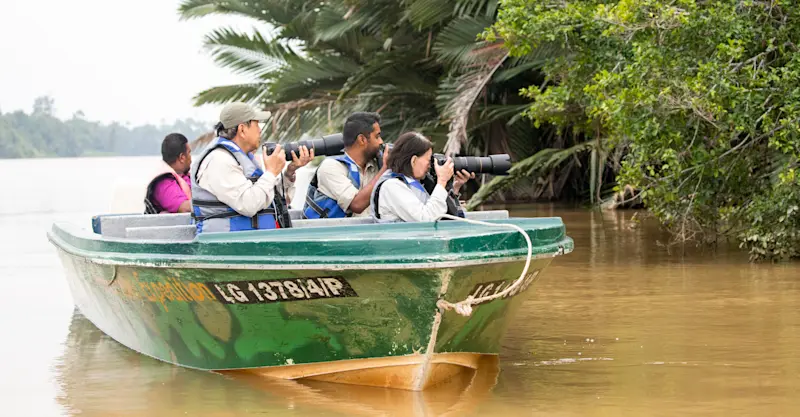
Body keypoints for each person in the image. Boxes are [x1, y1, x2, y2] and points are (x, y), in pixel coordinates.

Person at [191, 102, 314, 233]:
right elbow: (249, 204)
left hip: (248, 244)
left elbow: (271, 200)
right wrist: (271, 172)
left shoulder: (245, 159)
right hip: (228, 247)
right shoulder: (219, 161)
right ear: (242, 129)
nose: (260, 130)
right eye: (256, 124)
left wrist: (290, 172)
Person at [370, 132, 473, 223]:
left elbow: (440, 212)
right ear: (413, 160)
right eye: (428, 160)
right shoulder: (392, 186)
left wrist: (454, 188)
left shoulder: (413, 183)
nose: (430, 165)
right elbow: (426, 219)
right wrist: (442, 181)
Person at [302, 112, 389, 219]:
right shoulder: (331, 167)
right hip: (333, 233)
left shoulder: (376, 165)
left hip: (366, 232)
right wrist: (384, 170)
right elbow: (356, 204)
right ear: (362, 139)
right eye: (377, 137)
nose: (381, 142)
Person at [144, 133, 193, 214]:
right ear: (182, 157)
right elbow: (185, 208)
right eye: (189, 153)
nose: (191, 157)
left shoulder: (185, 176)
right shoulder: (163, 184)